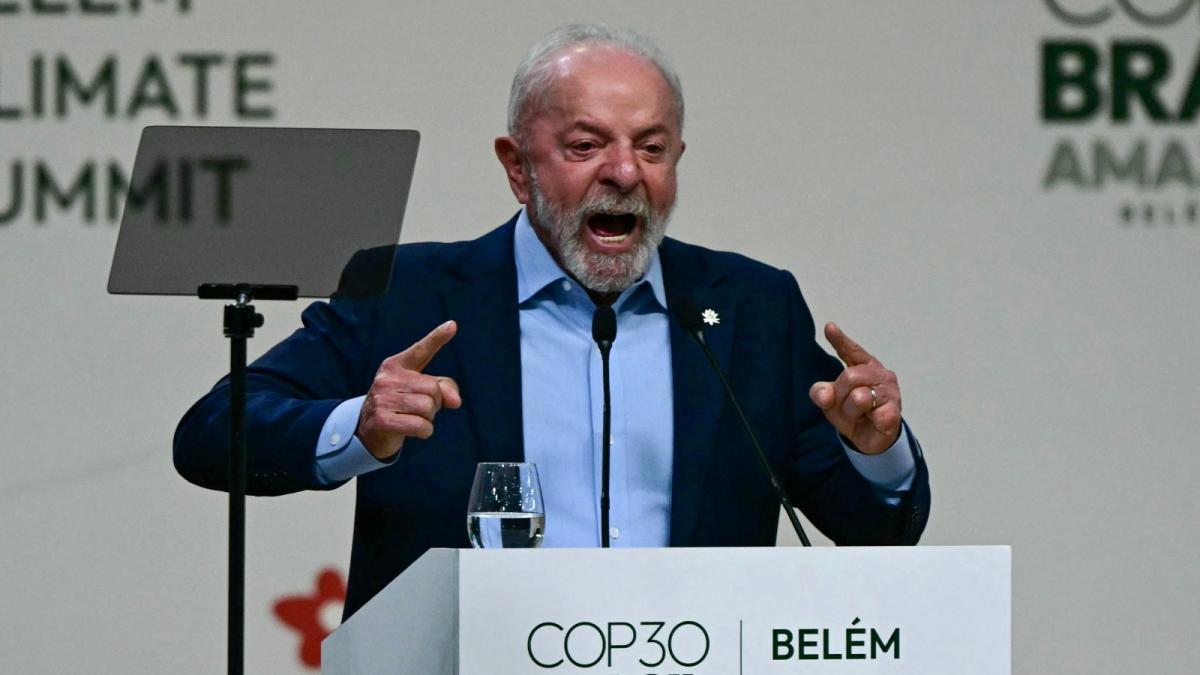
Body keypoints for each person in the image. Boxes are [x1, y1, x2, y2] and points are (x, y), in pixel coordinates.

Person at [174, 24, 930, 619]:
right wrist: (358, 426)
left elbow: (878, 531)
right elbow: (214, 431)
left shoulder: (751, 307)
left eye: (652, 148)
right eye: (586, 144)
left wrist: (877, 453)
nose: (626, 172)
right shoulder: (408, 292)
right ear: (516, 166)